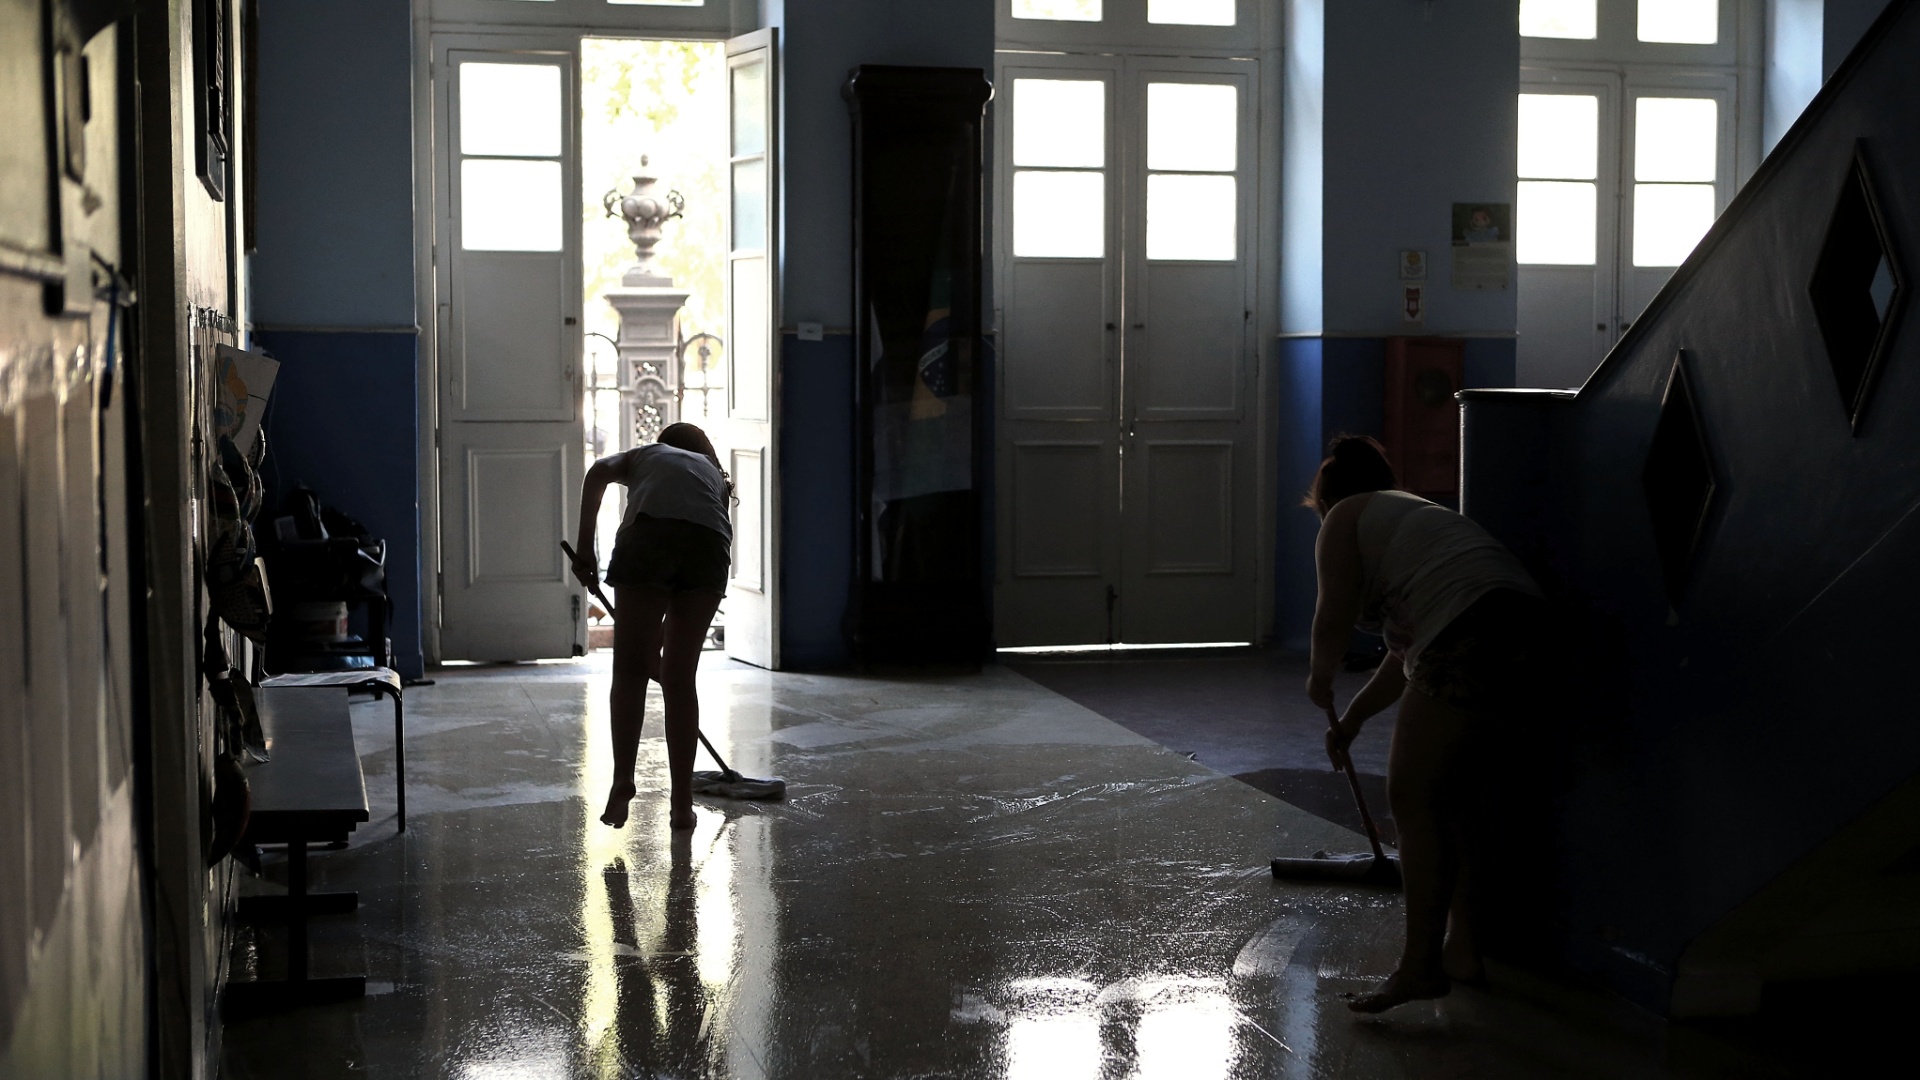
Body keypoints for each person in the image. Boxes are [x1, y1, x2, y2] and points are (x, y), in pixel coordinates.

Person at [1303, 435, 1545, 1013]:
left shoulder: (1345, 518)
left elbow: (1333, 614)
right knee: (1449, 799)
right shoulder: (1412, 521)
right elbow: (1407, 655)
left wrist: (1320, 677)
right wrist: (1354, 718)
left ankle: (1419, 968)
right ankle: (1461, 949)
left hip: (1468, 631)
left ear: (1328, 500)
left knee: (1411, 796)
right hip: (1525, 626)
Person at [570, 423, 733, 831]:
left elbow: (597, 473)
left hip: (648, 537)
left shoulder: (647, 454)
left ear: (665, 444)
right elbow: (699, 533)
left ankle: (623, 779)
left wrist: (585, 548)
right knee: (680, 679)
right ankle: (681, 805)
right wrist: (657, 652)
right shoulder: (714, 476)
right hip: (709, 549)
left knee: (628, 672)